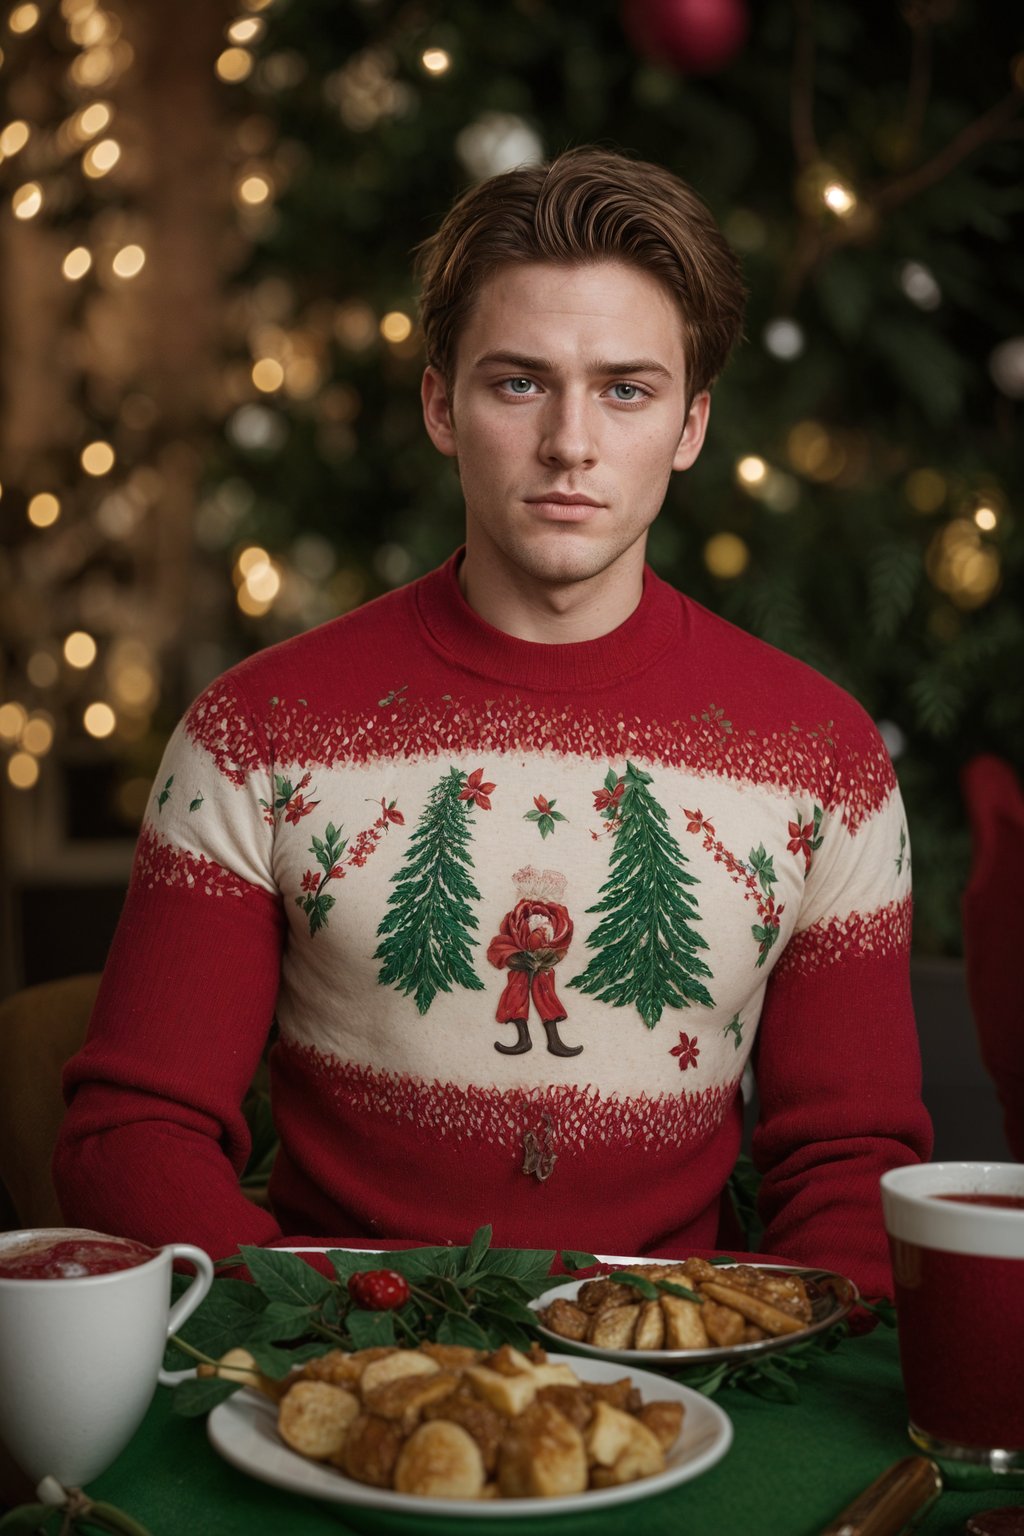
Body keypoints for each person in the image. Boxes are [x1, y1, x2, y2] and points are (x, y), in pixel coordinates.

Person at [54, 148, 932, 1298]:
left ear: (690, 427)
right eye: (519, 382)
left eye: (626, 389)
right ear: (440, 404)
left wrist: (789, 1366)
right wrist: (313, 1337)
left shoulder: (824, 762)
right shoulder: (254, 733)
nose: (571, 441)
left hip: (684, 1372)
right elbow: (131, 1134)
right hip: (339, 1354)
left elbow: (848, 1161)